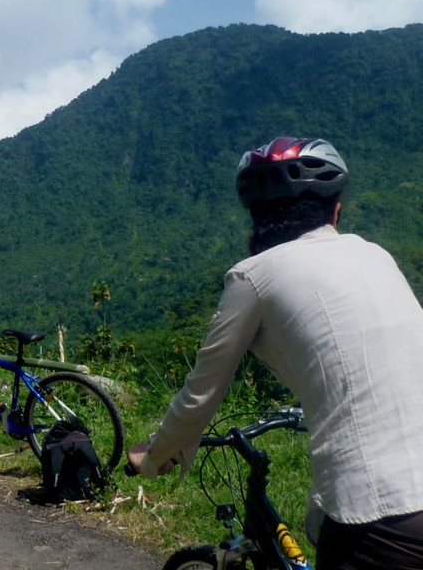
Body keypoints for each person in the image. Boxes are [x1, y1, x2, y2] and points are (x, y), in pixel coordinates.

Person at [127, 137, 423, 569]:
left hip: (383, 514)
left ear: (256, 220)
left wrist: (155, 455)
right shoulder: (376, 254)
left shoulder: (252, 276)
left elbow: (201, 393)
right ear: (336, 210)